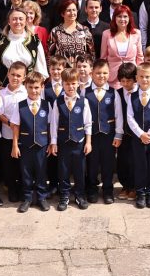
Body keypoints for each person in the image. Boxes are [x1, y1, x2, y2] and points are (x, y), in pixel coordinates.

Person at [8, 71, 53, 213]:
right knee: (26, 172)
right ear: (26, 87)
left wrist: (51, 143)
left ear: (42, 87)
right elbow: (15, 126)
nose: (34, 91)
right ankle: (27, 198)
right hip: (25, 145)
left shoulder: (47, 105)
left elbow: (51, 125)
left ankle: (41, 197)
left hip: (42, 145)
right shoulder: (20, 105)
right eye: (31, 87)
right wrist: (15, 145)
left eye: (37, 87)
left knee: (41, 171)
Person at [50, 68, 91, 211]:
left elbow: (88, 123)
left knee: (80, 170)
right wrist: (53, 142)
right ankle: (64, 195)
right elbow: (54, 123)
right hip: (63, 143)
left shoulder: (83, 101)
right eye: (67, 84)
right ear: (62, 84)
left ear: (78, 83)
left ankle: (80, 195)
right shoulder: (58, 102)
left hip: (79, 142)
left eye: (73, 83)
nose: (71, 87)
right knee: (63, 170)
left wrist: (88, 142)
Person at [126, 62, 150, 209]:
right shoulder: (132, 96)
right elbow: (130, 117)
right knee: (140, 165)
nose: (144, 79)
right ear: (137, 78)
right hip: (138, 138)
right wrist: (141, 134)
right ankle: (140, 193)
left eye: (147, 77)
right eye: (141, 76)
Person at [85, 59, 118, 204]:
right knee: (91, 163)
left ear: (109, 74)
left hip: (108, 134)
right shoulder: (85, 92)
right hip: (91, 135)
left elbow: (118, 115)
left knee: (108, 163)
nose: (101, 76)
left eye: (105, 73)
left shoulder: (113, 93)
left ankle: (108, 190)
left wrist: (118, 134)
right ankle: (92, 189)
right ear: (92, 73)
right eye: (98, 73)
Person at [0, 8, 48, 83]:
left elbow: (41, 70)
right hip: (4, 87)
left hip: (28, 87)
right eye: (14, 19)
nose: (18, 22)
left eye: (21, 19)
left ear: (25, 21)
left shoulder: (34, 41)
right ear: (9, 22)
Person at [47, 0, 95, 66]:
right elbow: (49, 55)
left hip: (80, 70)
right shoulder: (55, 31)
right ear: (62, 14)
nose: (72, 13)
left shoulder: (85, 30)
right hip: (62, 70)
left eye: (74, 10)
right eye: (68, 10)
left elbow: (91, 53)